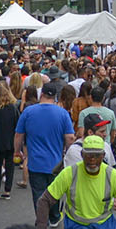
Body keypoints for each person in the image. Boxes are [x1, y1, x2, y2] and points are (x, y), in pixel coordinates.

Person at [14, 83, 74, 221]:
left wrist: (17, 151)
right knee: (55, 191)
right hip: (56, 162)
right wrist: (68, 151)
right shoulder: (63, 113)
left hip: (35, 161)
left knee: (38, 192)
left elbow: (19, 135)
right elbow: (70, 137)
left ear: (41, 95)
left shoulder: (28, 112)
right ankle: (54, 216)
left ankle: (41, 218)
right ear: (55, 97)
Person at [0, 82, 20, 198]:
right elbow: (18, 125)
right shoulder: (13, 108)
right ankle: (7, 190)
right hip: (11, 140)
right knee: (10, 166)